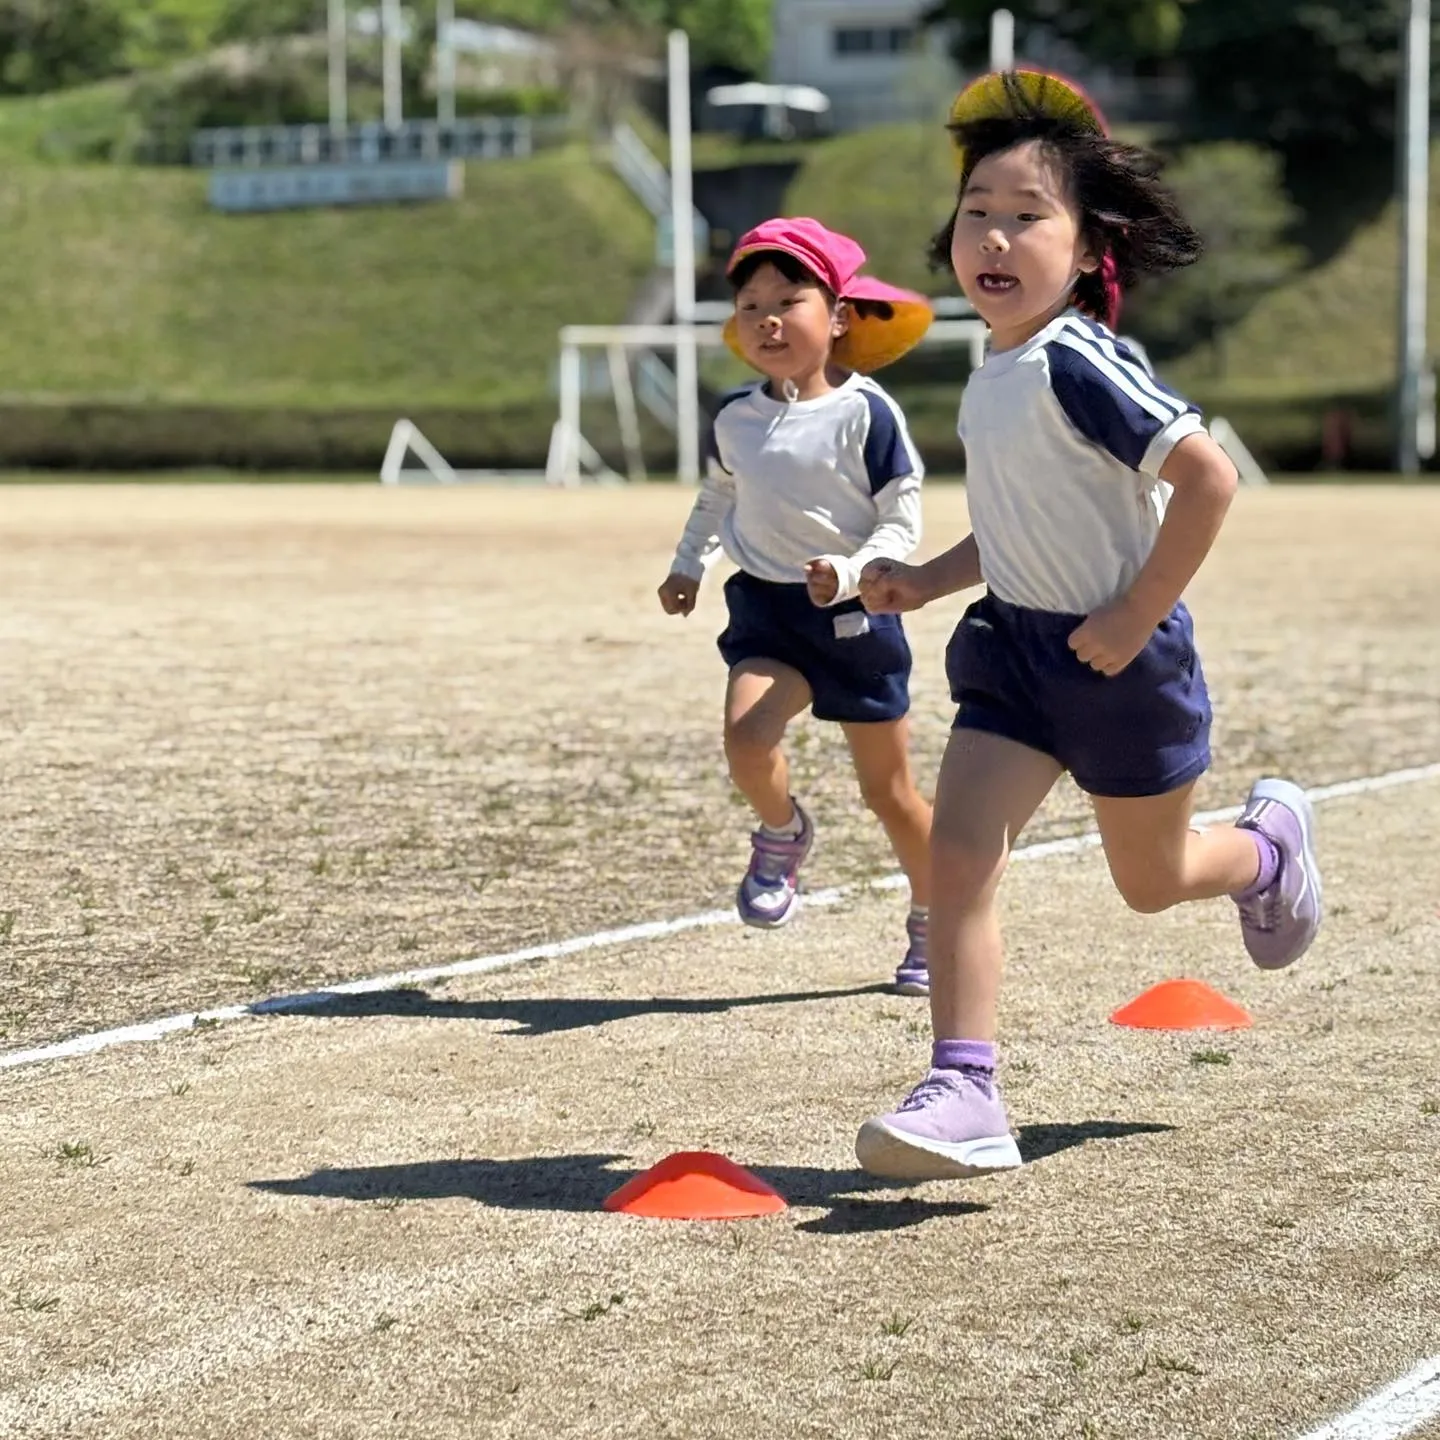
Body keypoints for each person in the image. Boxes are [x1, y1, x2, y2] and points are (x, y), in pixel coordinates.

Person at [853, 72, 1324, 1179]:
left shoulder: (1081, 359)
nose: (996, 236)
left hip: (1122, 664)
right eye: (977, 212)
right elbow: (1014, 522)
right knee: (962, 856)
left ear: (1087, 246)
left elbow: (1208, 480)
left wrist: (1132, 612)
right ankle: (965, 1086)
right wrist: (927, 580)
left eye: (1028, 213)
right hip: (1016, 655)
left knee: (1151, 882)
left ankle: (1266, 853)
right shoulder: (991, 372)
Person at [657, 217, 939, 993]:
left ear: (840, 315)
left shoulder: (868, 414)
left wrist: (851, 571)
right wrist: (689, 565)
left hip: (855, 617)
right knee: (747, 736)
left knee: (889, 793)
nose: (769, 319)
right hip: (768, 612)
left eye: (789, 299)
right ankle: (782, 834)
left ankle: (934, 916)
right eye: (751, 306)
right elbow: (719, 494)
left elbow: (903, 513)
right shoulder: (735, 417)